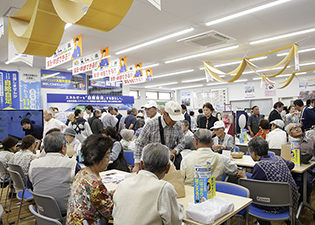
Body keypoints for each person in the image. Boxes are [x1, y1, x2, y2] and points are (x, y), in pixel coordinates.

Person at [113, 143, 184, 225]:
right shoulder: (164, 188)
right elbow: (175, 221)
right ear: (167, 168)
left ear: (142, 165)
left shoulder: (123, 184)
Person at [237, 137, 299, 225]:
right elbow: (291, 165)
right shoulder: (278, 159)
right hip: (290, 202)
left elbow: (253, 189)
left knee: (253, 200)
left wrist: (244, 177)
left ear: (254, 153)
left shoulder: (260, 166)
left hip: (273, 206)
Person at [29, 132, 80, 216]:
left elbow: (30, 186)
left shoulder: (34, 164)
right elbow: (82, 189)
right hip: (67, 211)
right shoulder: (72, 164)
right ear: (63, 147)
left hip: (42, 211)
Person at [66, 135, 113, 224]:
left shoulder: (81, 174)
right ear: (95, 158)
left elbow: (96, 198)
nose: (109, 159)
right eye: (107, 156)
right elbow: (111, 212)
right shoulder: (94, 184)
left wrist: (109, 194)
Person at [133, 101, 185, 172]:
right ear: (164, 114)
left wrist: (173, 152)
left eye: (176, 119)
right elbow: (139, 144)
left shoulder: (178, 125)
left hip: (172, 162)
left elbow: (182, 142)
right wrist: (137, 164)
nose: (174, 122)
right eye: (172, 118)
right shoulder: (151, 124)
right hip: (154, 162)